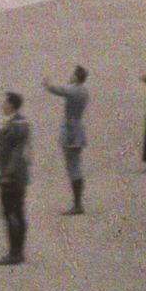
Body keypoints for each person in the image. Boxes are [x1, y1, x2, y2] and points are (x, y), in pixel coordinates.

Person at [0, 91, 32, 265]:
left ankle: (15, 253)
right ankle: (18, 251)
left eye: (5, 103)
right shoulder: (19, 121)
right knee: (18, 212)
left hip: (12, 177)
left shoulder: (16, 126)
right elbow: (5, 133)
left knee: (10, 213)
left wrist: (6, 175)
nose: (2, 106)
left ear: (12, 105)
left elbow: (15, 153)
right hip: (19, 176)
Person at [45, 66, 92, 215]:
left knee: (73, 168)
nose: (70, 76)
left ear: (76, 77)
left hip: (71, 131)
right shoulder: (84, 90)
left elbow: (59, 90)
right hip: (78, 128)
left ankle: (77, 204)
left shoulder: (74, 90)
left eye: (72, 74)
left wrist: (48, 85)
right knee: (75, 166)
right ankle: (78, 202)